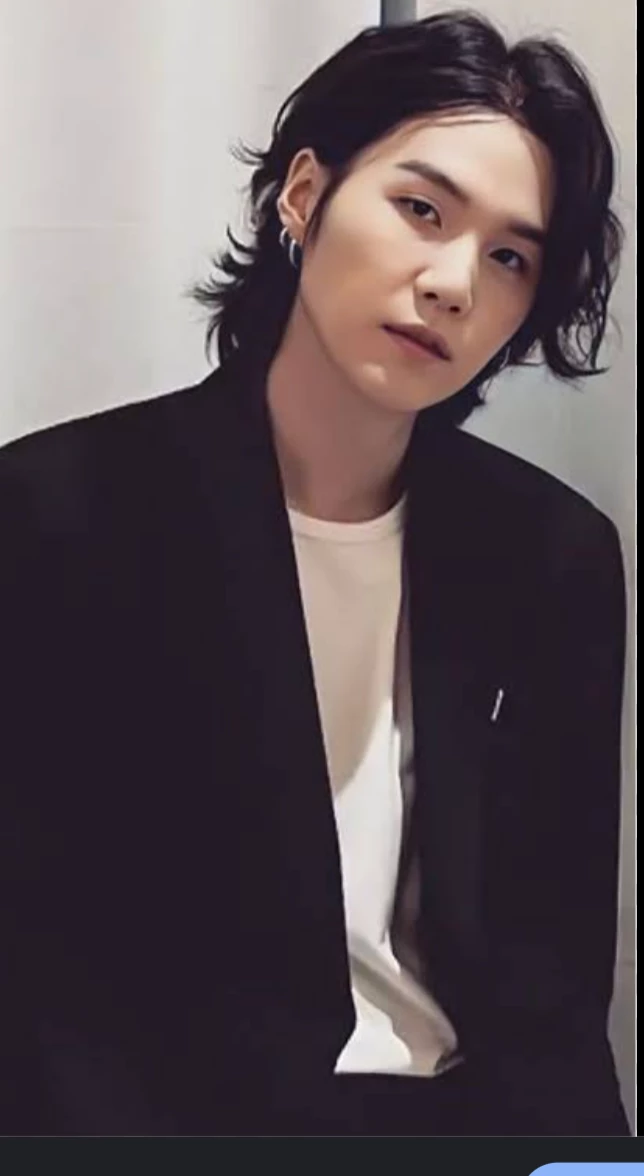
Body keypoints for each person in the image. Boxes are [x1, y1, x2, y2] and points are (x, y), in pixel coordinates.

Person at [0, 10, 630, 1136]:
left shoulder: (552, 557)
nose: (452, 282)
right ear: (303, 195)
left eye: (509, 258)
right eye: (420, 209)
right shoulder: (62, 514)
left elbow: (556, 995)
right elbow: (42, 974)